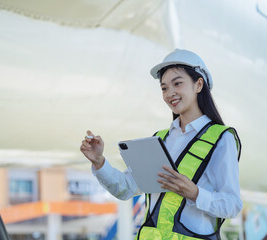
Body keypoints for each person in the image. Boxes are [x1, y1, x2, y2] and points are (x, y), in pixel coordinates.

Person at [80, 49, 242, 240]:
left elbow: (232, 205)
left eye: (177, 84)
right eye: (164, 88)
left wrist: (195, 193)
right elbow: (126, 188)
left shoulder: (221, 138)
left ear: (198, 84)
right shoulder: (161, 139)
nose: (170, 93)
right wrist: (99, 162)